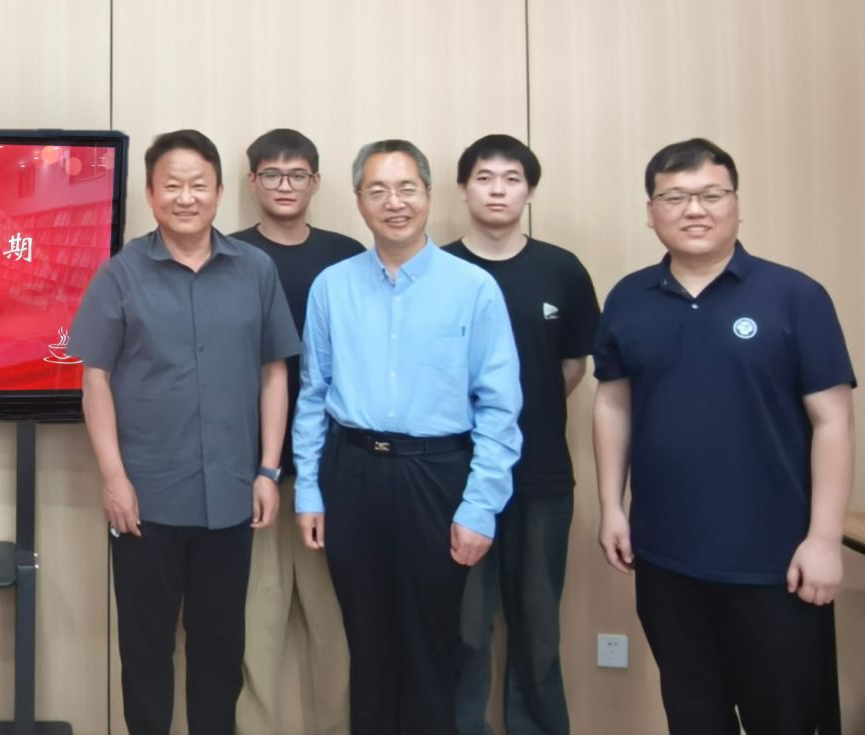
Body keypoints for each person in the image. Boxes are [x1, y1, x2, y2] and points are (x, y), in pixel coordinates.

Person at [594, 138, 853, 734]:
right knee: (693, 715)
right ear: (651, 211)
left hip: (776, 561)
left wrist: (824, 540)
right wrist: (611, 505)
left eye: (711, 195)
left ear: (736, 203)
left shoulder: (795, 296)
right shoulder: (629, 297)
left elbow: (834, 421)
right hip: (665, 555)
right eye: (674, 197)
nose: (694, 209)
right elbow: (612, 402)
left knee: (784, 719)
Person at [74, 129, 301, 735]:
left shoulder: (255, 270)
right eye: (171, 185)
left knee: (220, 653)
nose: (185, 197)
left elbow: (273, 372)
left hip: (230, 495)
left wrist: (268, 469)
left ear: (220, 192)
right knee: (146, 652)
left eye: (198, 185)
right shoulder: (120, 275)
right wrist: (114, 479)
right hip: (144, 500)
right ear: (150, 194)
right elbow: (95, 381)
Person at [292, 139, 522, 735]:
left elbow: (499, 408)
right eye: (378, 191)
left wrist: (480, 507)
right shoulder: (331, 287)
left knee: (432, 644)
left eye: (406, 189)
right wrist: (309, 491)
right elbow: (313, 394)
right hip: (353, 471)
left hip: (437, 475)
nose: (394, 203)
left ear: (428, 194)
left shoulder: (472, 288)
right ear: (359, 200)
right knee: (366, 644)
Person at [444, 135, 598, 735]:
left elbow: (572, 366)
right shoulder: (439, 270)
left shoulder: (562, 269)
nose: (498, 190)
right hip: (455, 477)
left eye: (512, 179)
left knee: (538, 628)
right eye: (484, 178)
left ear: (529, 191)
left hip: (541, 476)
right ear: (464, 188)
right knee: (463, 628)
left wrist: (515, 413)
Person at [231, 129, 362, 735]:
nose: (285, 185)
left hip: (334, 470)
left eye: (297, 174)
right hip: (251, 470)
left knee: (336, 624)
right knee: (255, 623)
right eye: (272, 174)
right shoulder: (229, 254)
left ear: (316, 181)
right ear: (252, 181)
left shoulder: (348, 256)